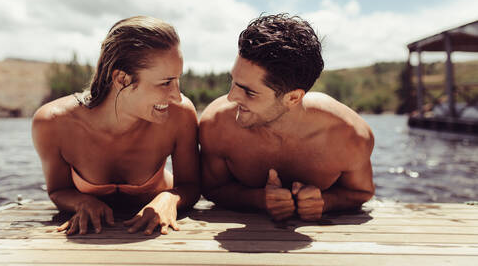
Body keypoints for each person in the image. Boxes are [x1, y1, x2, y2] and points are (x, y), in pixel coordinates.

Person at [32, 16, 200, 235]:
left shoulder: (179, 115)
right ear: (122, 79)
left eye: (178, 80)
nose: (177, 96)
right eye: (166, 83)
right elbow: (58, 190)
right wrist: (81, 202)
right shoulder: (53, 123)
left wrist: (168, 198)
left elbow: (190, 187)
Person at [199, 14, 375, 221]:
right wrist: (258, 199)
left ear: (293, 98)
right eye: (234, 81)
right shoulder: (216, 125)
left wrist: (326, 202)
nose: (231, 97)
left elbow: (362, 192)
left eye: (249, 92)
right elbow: (212, 189)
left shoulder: (349, 135)